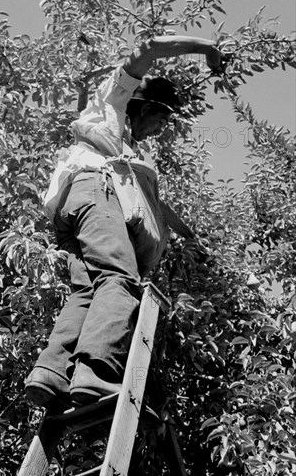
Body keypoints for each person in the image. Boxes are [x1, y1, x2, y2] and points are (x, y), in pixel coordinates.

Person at [25, 36, 222, 410]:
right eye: (162, 118)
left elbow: (155, 206)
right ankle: (95, 373)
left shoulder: (129, 153)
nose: (162, 128)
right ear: (144, 106)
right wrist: (206, 48)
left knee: (88, 290)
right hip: (95, 197)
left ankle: (51, 373)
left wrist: (191, 238)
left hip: (76, 213)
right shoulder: (109, 109)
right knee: (120, 279)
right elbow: (146, 48)